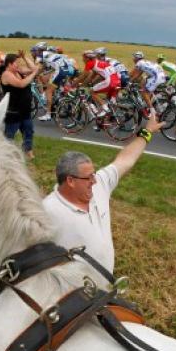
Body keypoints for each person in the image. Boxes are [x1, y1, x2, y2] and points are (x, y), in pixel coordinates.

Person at [42, 113, 164, 274]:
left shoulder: (99, 186)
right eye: (88, 177)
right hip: (73, 294)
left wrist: (146, 132)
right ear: (70, 181)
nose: (94, 180)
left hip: (104, 288)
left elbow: (125, 160)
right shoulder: (47, 211)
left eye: (93, 174)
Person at [2, 52, 40, 160]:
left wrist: (24, 57)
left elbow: (34, 69)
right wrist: (33, 74)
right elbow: (21, 84)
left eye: (18, 63)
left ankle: (28, 150)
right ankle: (5, 153)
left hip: (25, 110)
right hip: (13, 111)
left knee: (28, 131)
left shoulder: (18, 71)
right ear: (9, 64)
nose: (18, 65)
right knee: (10, 135)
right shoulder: (7, 74)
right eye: (16, 63)